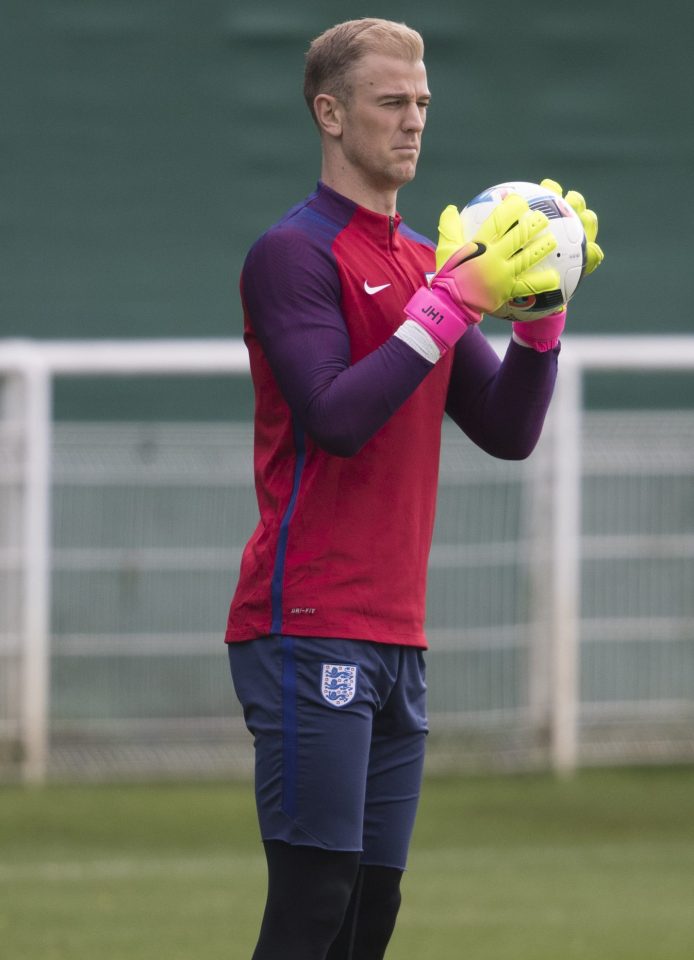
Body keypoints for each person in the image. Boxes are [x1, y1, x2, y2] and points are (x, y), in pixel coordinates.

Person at [225, 17, 603, 960]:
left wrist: (541, 319)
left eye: (422, 103)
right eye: (390, 103)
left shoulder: (422, 264)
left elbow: (509, 431)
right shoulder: (295, 254)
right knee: (314, 903)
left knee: (368, 917)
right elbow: (335, 417)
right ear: (330, 112)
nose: (412, 122)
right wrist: (446, 308)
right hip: (308, 621)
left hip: (398, 633)